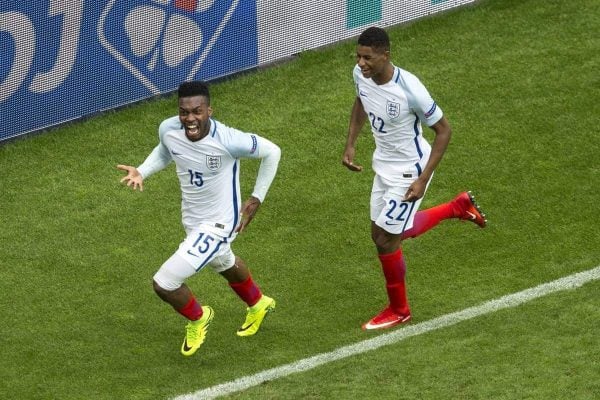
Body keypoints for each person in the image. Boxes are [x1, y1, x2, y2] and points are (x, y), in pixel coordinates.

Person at [117, 81, 281, 356]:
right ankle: (258, 303)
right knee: (224, 261)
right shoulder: (169, 129)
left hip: (219, 225)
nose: (190, 119)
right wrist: (142, 171)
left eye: (197, 112)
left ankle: (198, 317)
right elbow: (165, 151)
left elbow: (272, 151)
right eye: (184, 112)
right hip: (193, 221)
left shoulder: (228, 140)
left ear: (209, 111)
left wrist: (256, 198)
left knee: (164, 282)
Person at [342, 27, 487, 330]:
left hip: (410, 170)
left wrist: (422, 179)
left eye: (367, 57)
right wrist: (351, 143)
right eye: (358, 56)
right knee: (381, 232)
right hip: (383, 165)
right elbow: (361, 103)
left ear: (385, 55)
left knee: (385, 238)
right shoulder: (361, 76)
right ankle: (456, 208)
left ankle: (400, 309)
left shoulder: (410, 89)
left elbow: (444, 131)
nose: (360, 63)